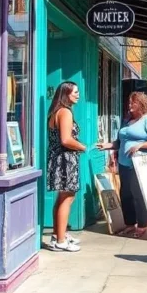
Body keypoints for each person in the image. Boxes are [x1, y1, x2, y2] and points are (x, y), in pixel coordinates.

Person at [104, 92, 147, 238]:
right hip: (124, 163)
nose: (129, 106)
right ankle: (130, 223)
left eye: (132, 103)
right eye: (129, 102)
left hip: (139, 162)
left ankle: (142, 224)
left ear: (141, 104)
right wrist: (108, 146)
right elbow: (120, 142)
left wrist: (140, 145)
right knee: (125, 194)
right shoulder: (127, 120)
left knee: (138, 193)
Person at [45, 81, 87, 252]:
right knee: (67, 197)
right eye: (75, 92)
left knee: (63, 197)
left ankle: (58, 234)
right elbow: (66, 140)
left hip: (58, 158)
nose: (78, 95)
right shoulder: (65, 112)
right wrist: (83, 147)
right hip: (64, 160)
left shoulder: (56, 111)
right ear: (66, 94)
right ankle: (61, 240)